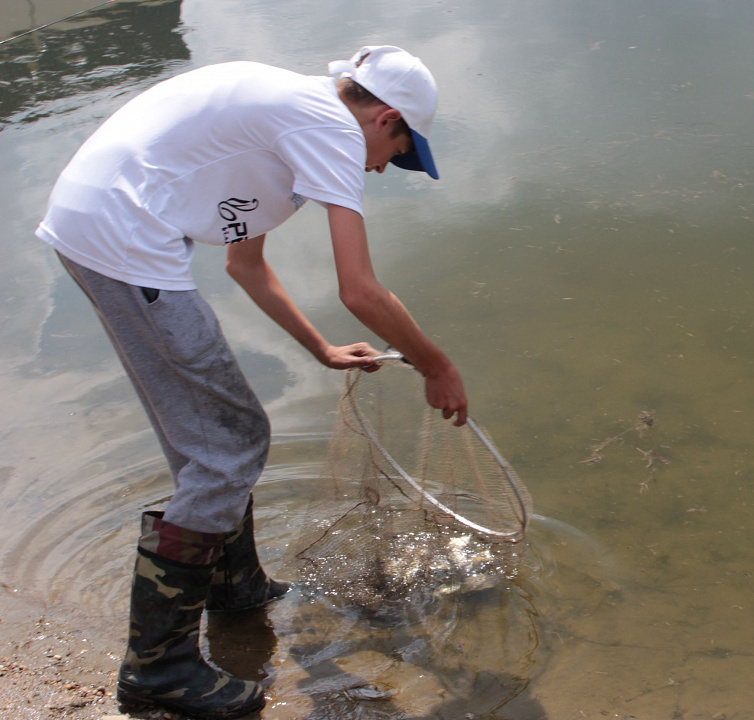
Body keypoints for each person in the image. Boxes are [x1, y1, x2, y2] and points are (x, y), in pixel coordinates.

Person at [35, 45, 466, 719]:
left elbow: (246, 266)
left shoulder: (292, 126)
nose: (383, 169)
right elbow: (360, 288)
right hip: (123, 237)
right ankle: (160, 668)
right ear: (384, 119)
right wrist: (436, 365)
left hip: (103, 228)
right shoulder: (325, 123)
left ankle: (234, 589)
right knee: (232, 444)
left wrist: (320, 349)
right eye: (398, 153)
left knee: (210, 442)